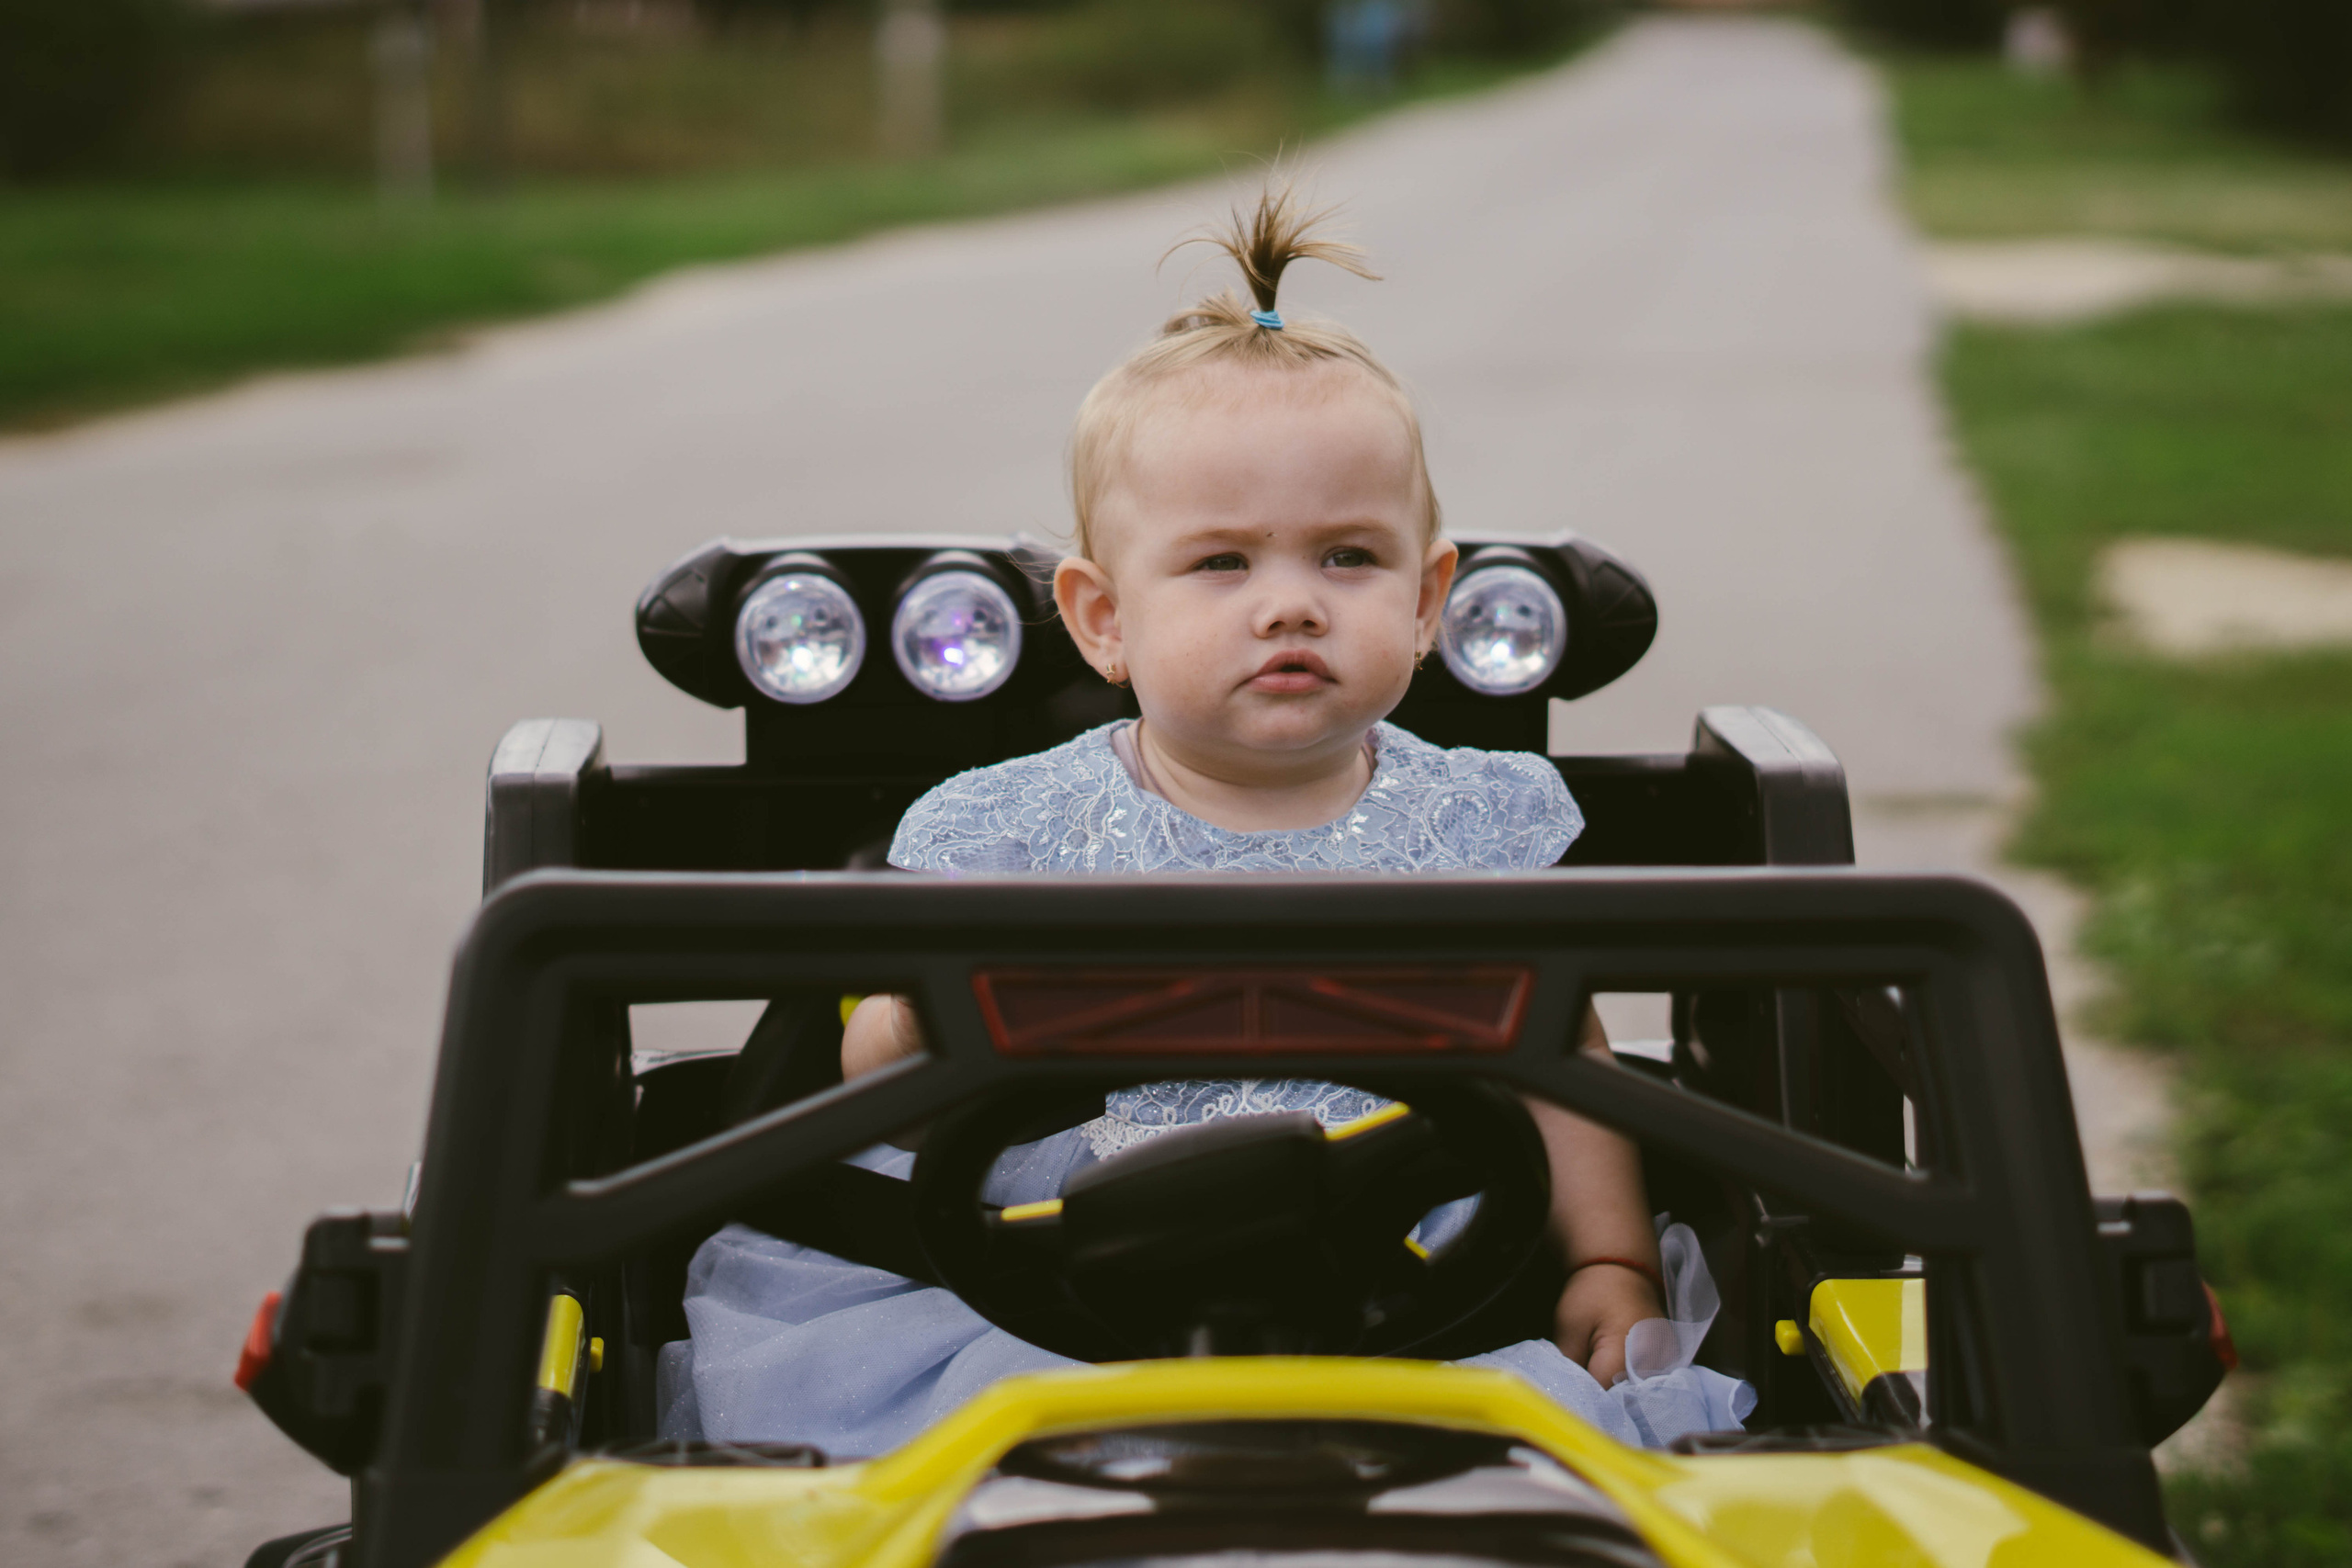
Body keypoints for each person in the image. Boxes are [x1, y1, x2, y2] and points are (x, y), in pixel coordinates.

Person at [657, 186, 1753, 1455]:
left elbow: (1566, 1067)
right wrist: (911, 1024)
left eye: (1347, 558)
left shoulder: (1474, 823)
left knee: (1566, 1464)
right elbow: (886, 1093)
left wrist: (1608, 1263)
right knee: (951, 1459)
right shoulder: (1012, 829)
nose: (1290, 605)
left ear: (1426, 597)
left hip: (1413, 1292)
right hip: (1061, 1296)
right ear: (1103, 617)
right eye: (1223, 563)